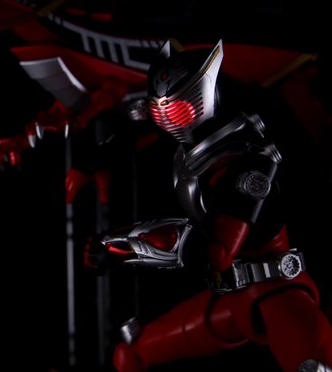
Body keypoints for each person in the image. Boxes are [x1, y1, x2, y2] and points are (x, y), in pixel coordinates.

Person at [84, 40, 332, 372]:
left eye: (175, 111)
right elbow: (131, 124)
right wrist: (92, 161)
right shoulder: (193, 151)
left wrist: (117, 247)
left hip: (277, 292)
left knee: (314, 364)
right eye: (161, 112)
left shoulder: (247, 158)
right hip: (233, 296)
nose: (166, 119)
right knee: (136, 352)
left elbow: (214, 250)